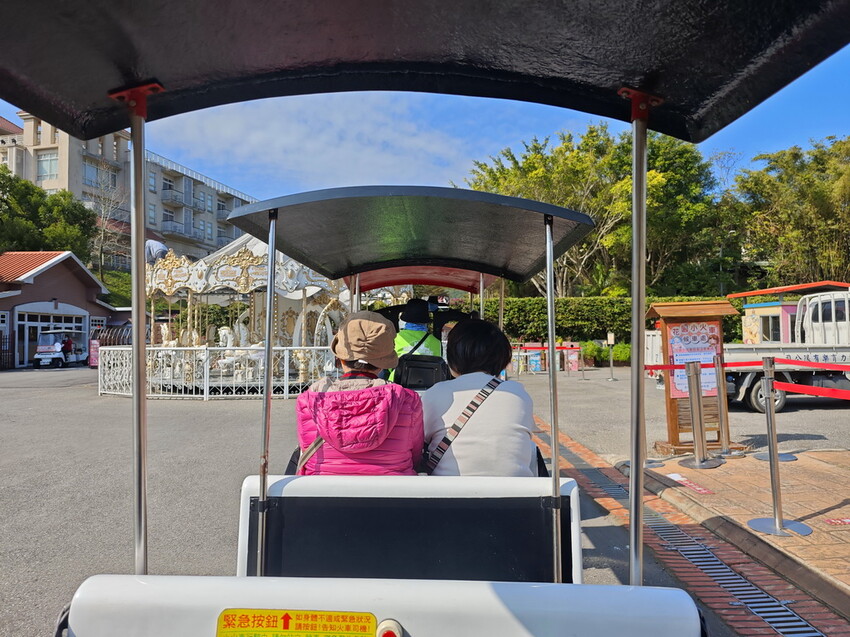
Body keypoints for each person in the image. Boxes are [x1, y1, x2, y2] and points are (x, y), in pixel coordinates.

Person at [296, 311, 424, 475]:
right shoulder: (407, 400)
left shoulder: (310, 400)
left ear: (341, 357)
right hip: (393, 488)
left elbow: (306, 447)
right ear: (383, 363)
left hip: (322, 488)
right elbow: (415, 456)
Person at [420, 319, 537, 476]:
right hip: (516, 489)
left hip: (449, 489)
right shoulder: (517, 392)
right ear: (502, 356)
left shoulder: (435, 393)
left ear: (453, 356)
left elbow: (419, 441)